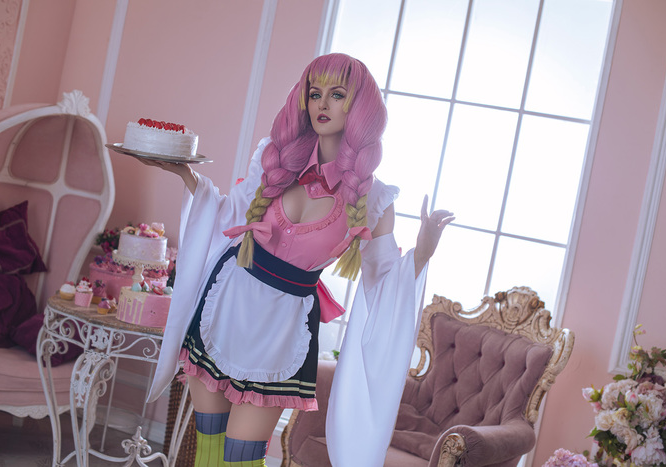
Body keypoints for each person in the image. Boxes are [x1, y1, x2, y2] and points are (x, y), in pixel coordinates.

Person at [142, 53, 454, 467]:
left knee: (242, 458)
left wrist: (423, 251)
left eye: (337, 94)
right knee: (209, 452)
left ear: (359, 108)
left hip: (283, 331)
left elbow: (382, 279)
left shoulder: (374, 198)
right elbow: (229, 215)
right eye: (315, 93)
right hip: (226, 305)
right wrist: (188, 175)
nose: (322, 104)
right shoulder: (275, 158)